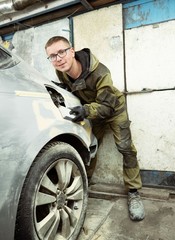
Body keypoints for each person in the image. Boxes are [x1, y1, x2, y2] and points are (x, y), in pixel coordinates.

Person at [45, 36, 145, 221]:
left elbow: (106, 107)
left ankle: (133, 192)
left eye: (62, 52)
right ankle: (84, 184)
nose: (58, 59)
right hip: (91, 112)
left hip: (113, 108)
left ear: (72, 51)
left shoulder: (100, 72)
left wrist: (84, 109)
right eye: (52, 56)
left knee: (125, 147)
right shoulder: (62, 73)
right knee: (88, 146)